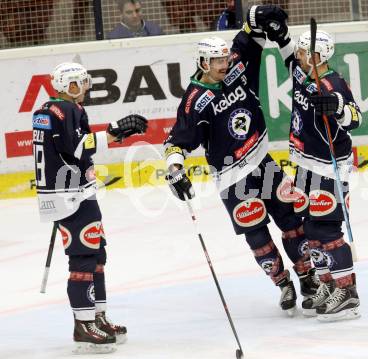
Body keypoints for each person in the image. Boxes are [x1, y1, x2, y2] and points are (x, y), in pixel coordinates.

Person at [163, 5, 320, 316]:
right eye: (217, 61)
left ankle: (308, 277)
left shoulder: (236, 64)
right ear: (203, 63)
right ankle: (283, 283)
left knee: (291, 221)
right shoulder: (195, 101)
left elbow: (252, 32)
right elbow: (175, 143)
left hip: (263, 162)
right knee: (257, 235)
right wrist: (175, 171)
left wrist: (258, 14)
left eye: (224, 59)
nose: (224, 64)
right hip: (232, 178)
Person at [32, 62, 148, 353]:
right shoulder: (66, 110)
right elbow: (77, 146)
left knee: (96, 250)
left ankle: (97, 316)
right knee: (84, 255)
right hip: (70, 195)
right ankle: (84, 324)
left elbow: (64, 150)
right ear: (64, 85)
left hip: (69, 192)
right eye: (77, 83)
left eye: (84, 82)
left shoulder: (48, 110)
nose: (83, 88)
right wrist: (115, 132)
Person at [259, 7, 362, 321]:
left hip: (328, 168)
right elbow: (289, 55)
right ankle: (328, 283)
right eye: (302, 51)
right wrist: (281, 35)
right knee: (309, 228)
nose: (301, 55)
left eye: (306, 52)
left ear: (319, 55)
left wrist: (338, 107)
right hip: (305, 164)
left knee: (326, 227)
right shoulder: (302, 72)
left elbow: (356, 118)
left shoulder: (332, 85)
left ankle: (348, 292)